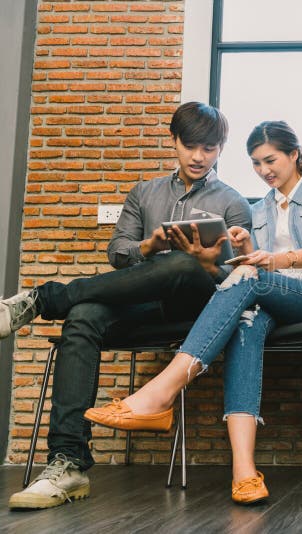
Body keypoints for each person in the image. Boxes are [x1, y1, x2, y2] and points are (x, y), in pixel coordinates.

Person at [82, 121, 302, 505]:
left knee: (250, 278)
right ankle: (244, 471)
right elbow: (237, 272)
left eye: (271, 160)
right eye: (256, 164)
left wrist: (272, 259)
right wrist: (240, 247)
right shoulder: (258, 210)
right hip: (266, 297)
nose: (264, 171)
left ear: (293, 154)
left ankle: (162, 391)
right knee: (246, 319)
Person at [2, 102, 251, 510]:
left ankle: (41, 299)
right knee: (82, 317)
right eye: (190, 146)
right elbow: (117, 252)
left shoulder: (233, 202)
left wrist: (203, 262)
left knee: (183, 264)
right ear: (174, 141)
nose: (198, 156)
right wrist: (148, 246)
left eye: (209, 148)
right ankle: (69, 463)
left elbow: (237, 279)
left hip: (195, 314)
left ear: (220, 149)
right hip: (140, 307)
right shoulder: (144, 191)